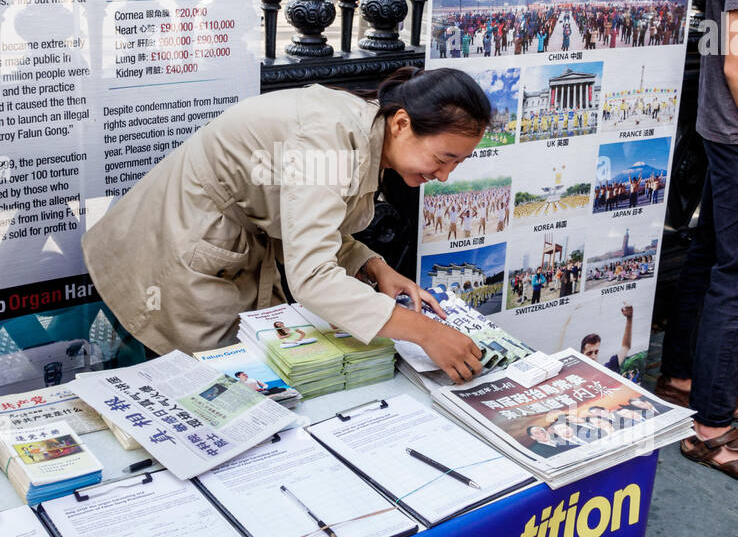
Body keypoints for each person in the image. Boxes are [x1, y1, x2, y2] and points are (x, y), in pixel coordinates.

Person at [83, 68, 490, 383]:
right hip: (178, 245)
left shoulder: (361, 131)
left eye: (457, 163)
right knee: (211, 385)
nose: (445, 175)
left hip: (224, 243)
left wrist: (374, 266)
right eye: (442, 158)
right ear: (402, 124)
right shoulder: (328, 140)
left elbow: (312, 218)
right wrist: (425, 332)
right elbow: (312, 278)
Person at [657, 0, 738, 476]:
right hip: (734, 128)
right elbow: (736, 56)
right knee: (734, 274)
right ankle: (713, 431)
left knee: (710, 252)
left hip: (722, 125)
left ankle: (683, 378)